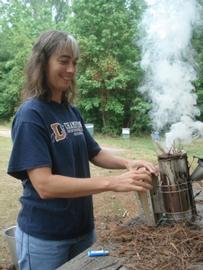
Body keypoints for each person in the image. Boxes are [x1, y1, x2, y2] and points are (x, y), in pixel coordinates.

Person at [7, 30, 157, 270]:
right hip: (45, 236)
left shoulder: (70, 111)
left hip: (83, 230)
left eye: (74, 63)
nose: (71, 70)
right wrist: (112, 183)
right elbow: (45, 185)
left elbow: (94, 153)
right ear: (42, 63)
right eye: (63, 61)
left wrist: (128, 163)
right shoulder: (31, 115)